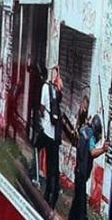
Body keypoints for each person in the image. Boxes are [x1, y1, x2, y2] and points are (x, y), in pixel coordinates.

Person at [69, 114, 109, 220]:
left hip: (78, 169)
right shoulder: (91, 135)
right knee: (81, 203)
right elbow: (92, 152)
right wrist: (103, 150)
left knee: (77, 200)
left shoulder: (84, 130)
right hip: (82, 172)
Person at [39, 66, 63, 209]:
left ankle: (47, 192)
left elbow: (42, 107)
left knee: (48, 162)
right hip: (56, 135)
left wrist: (41, 122)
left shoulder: (46, 88)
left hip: (48, 131)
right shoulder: (56, 90)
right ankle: (52, 197)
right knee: (54, 165)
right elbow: (59, 102)